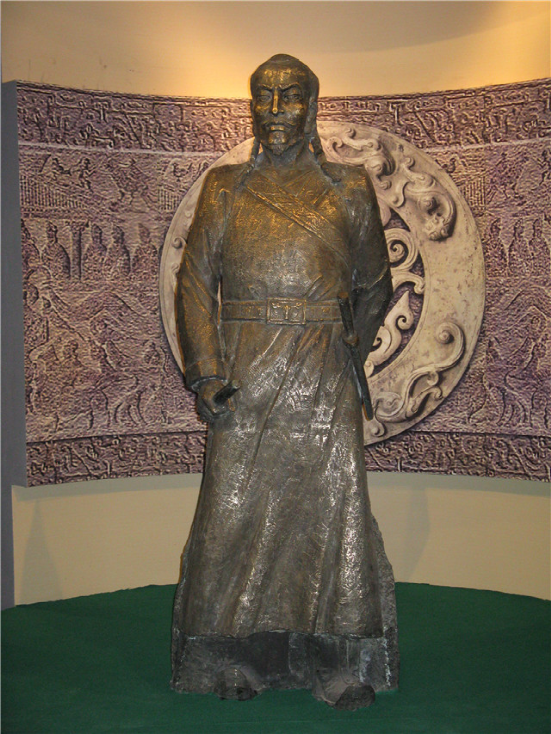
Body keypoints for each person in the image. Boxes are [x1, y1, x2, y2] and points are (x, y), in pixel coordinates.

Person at [171, 54, 398, 710]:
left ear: (312, 106)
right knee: (234, 515)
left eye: (289, 96)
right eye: (262, 97)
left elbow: (374, 284)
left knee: (329, 513)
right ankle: (234, 655)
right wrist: (207, 372)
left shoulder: (347, 187)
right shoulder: (225, 187)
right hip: (245, 371)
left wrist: (347, 345)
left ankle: (335, 660)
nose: (273, 111)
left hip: (322, 370)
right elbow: (195, 283)